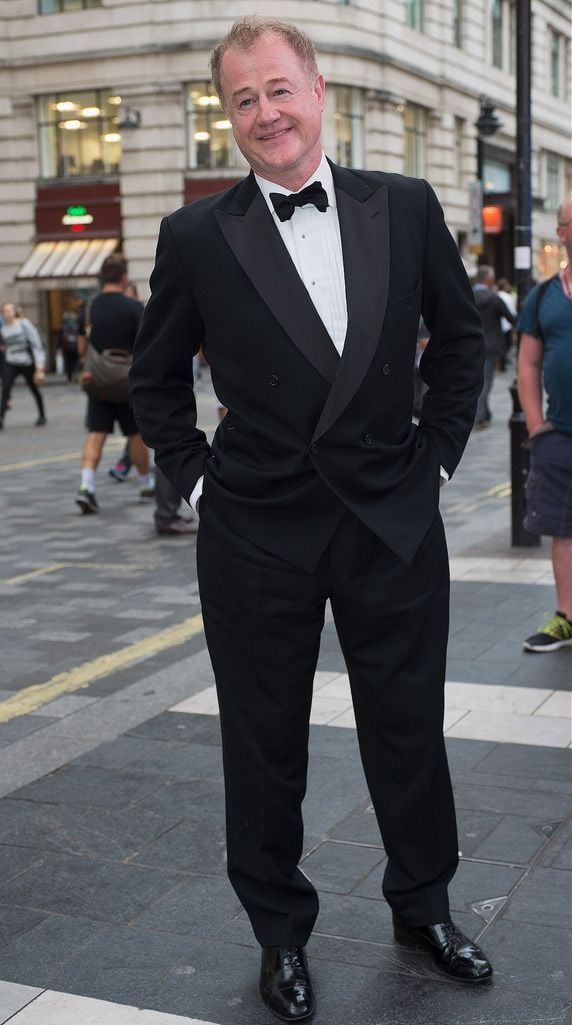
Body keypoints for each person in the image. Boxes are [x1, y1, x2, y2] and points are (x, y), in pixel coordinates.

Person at [130, 17, 492, 1021]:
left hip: (391, 522)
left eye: (277, 89)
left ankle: (422, 906)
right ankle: (278, 932)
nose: (264, 113)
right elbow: (151, 380)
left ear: (319, 90)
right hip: (255, 530)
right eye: (242, 99)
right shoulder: (196, 235)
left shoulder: (407, 206)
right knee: (262, 744)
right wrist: (199, 482)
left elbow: (460, 346)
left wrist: (439, 455)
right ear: (227, 115)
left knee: (407, 732)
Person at [517, 194, 572, 653]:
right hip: (560, 435)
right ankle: (566, 617)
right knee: (563, 528)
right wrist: (536, 425)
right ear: (561, 232)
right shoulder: (543, 296)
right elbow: (528, 365)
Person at [75, 253, 154, 514]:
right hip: (127, 380)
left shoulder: (90, 307)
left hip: (98, 380)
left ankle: (87, 487)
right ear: (123, 277)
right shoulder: (134, 307)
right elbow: (145, 345)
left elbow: (82, 344)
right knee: (135, 434)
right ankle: (145, 484)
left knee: (96, 433)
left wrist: (86, 367)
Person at [472, 266, 515, 428]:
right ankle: (480, 415)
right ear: (489, 280)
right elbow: (511, 318)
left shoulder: (468, 295)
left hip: (471, 345)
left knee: (476, 379)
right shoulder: (494, 299)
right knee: (485, 381)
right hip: (490, 345)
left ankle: (484, 413)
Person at [0, 302, 46, 429]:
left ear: (15, 312)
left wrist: (39, 365)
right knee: (6, 389)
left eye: (10, 311)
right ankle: (1, 418)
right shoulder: (3, 329)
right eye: (5, 311)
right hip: (10, 361)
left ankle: (42, 415)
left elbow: (36, 344)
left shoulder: (24, 324)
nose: (8, 314)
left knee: (34, 388)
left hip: (26, 361)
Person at [496, 277, 517, 371]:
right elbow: (512, 312)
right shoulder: (508, 297)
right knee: (506, 344)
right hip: (506, 324)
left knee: (501, 344)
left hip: (497, 325)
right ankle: (502, 363)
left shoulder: (496, 295)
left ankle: (500, 362)